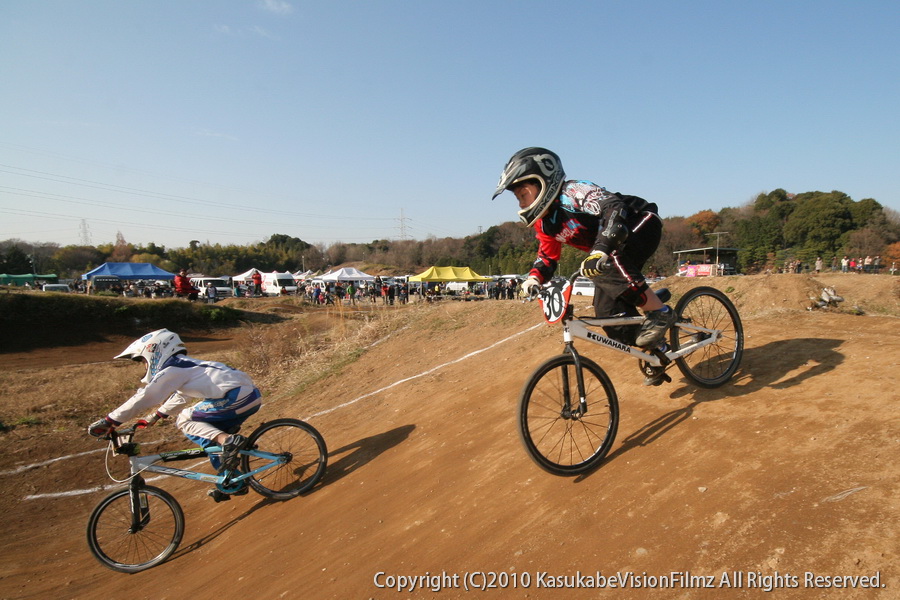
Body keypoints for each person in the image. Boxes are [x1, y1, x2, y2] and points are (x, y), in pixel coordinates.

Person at [492, 148, 674, 384]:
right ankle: (658, 349)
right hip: (609, 249)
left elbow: (614, 208)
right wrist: (534, 279)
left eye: (523, 194)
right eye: (518, 197)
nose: (521, 201)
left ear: (544, 182)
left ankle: (660, 312)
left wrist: (601, 248)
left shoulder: (573, 192)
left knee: (606, 266)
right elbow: (547, 258)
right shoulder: (545, 226)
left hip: (638, 222)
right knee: (609, 316)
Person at [87, 329, 263, 502]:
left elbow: (146, 396)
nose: (144, 365)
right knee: (209, 439)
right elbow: (183, 394)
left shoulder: (173, 368)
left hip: (236, 397)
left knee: (186, 419)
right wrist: (156, 415)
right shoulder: (184, 366)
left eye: (142, 360)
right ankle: (233, 480)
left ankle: (229, 441)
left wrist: (110, 421)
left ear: (153, 351)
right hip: (247, 396)